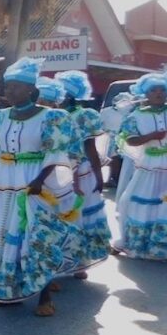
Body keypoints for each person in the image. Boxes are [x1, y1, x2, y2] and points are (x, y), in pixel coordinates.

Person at [0, 58, 81, 316]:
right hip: (6, 183)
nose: (10, 91)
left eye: (16, 86)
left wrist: (38, 180)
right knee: (4, 234)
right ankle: (8, 290)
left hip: (36, 183)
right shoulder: (0, 117)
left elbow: (56, 153)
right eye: (7, 86)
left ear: (31, 90)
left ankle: (44, 296)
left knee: (35, 239)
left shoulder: (51, 117)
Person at [54, 70, 110, 276]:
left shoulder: (84, 115)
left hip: (82, 172)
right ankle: (60, 261)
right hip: (57, 172)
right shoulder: (51, 114)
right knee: (59, 216)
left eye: (61, 94)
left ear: (69, 95)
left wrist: (98, 174)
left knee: (80, 216)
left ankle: (79, 262)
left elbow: (91, 148)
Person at [114, 71, 167, 260]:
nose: (159, 93)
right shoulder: (135, 116)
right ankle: (142, 244)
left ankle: (166, 245)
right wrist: (151, 137)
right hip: (150, 166)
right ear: (145, 94)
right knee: (143, 202)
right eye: (154, 90)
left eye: (162, 90)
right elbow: (131, 140)